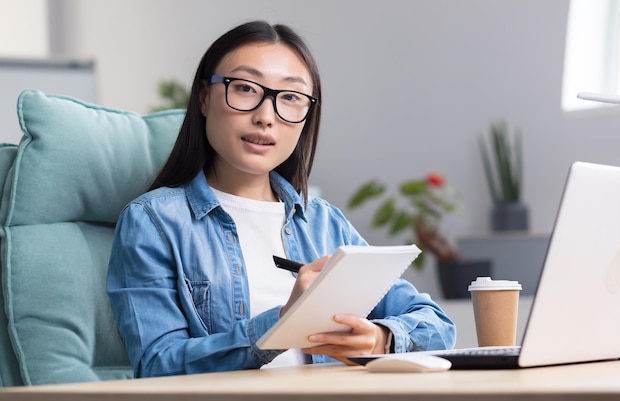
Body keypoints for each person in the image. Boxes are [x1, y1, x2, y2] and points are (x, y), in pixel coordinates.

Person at [106, 20, 456, 378]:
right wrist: (282, 324)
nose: (265, 117)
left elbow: (438, 324)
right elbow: (157, 364)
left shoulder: (324, 224)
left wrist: (381, 339)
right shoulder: (154, 222)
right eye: (244, 88)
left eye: (290, 97)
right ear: (203, 98)